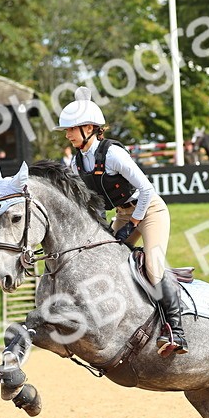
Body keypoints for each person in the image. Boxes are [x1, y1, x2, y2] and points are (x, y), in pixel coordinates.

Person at [57, 87, 187, 354]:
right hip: (122, 214)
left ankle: (175, 329)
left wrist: (134, 221)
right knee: (102, 263)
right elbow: (85, 200)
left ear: (89, 128)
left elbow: (148, 189)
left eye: (71, 129)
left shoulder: (114, 154)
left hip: (149, 211)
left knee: (153, 266)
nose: (67, 135)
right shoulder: (77, 162)